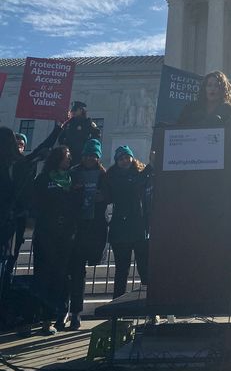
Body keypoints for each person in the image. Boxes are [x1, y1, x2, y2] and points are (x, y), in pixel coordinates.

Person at [0, 124, 63, 299]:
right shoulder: (18, 164)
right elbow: (39, 150)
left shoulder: (16, 164)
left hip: (11, 219)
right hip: (12, 221)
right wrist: (57, 130)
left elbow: (38, 151)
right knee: (7, 262)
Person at [32, 146, 77, 334]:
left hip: (64, 234)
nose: (69, 160)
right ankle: (34, 318)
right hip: (45, 233)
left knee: (59, 277)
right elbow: (35, 202)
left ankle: (50, 319)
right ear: (57, 158)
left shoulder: (71, 179)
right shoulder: (43, 179)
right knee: (43, 276)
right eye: (66, 157)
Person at [67, 138, 108, 330]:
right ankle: (68, 311)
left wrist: (105, 197)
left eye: (94, 155)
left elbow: (113, 193)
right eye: (88, 155)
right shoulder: (73, 173)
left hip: (93, 227)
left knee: (79, 271)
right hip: (74, 226)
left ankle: (74, 311)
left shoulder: (104, 175)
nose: (90, 158)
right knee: (72, 272)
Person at [106, 145, 153, 299]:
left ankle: (150, 301)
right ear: (117, 161)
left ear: (132, 158)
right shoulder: (112, 177)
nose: (125, 161)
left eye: (127, 157)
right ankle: (117, 304)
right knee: (121, 269)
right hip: (121, 227)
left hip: (138, 226)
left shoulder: (141, 174)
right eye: (121, 158)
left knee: (144, 267)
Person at [177, 71, 231, 141]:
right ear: (204, 88)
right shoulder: (192, 108)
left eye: (216, 86)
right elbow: (179, 128)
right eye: (209, 85)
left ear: (223, 89)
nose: (212, 89)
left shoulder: (229, 109)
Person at [58, 102, 102, 166]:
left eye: (75, 110)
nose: (73, 112)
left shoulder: (87, 122)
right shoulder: (68, 123)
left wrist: (88, 145)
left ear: (81, 110)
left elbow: (97, 134)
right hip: (69, 153)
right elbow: (61, 137)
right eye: (72, 111)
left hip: (81, 154)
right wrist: (64, 146)